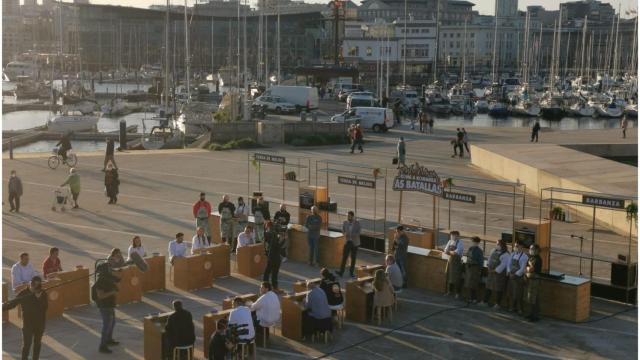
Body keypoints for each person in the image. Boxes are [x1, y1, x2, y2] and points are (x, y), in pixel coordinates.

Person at [3, 276, 48, 360]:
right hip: (28, 324)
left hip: (40, 324)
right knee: (27, 345)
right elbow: (12, 304)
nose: (37, 289)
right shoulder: (23, 293)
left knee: (37, 344)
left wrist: (38, 298)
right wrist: (3, 307)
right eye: (35, 286)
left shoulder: (43, 293)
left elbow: (45, 307)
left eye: (39, 286)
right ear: (31, 284)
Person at [93, 263, 119, 354]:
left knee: (112, 323)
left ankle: (109, 339)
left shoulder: (107, 279)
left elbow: (118, 280)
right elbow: (100, 296)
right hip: (104, 306)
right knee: (107, 325)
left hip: (110, 305)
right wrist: (112, 292)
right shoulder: (100, 282)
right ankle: (102, 346)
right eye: (108, 269)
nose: (110, 270)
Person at [484, 239, 510, 308]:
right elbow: (489, 259)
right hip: (491, 272)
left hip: (499, 274)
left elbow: (503, 265)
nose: (497, 245)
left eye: (498, 244)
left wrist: (494, 270)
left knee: (498, 288)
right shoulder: (493, 250)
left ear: (502, 245)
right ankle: (485, 301)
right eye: (496, 244)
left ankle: (497, 304)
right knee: (488, 286)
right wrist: (488, 266)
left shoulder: (506, 254)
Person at [337, 211, 361, 278]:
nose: (348, 217)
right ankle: (341, 272)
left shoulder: (357, 223)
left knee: (353, 258)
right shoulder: (345, 222)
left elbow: (358, 233)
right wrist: (344, 234)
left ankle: (351, 272)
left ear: (352, 216)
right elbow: (343, 231)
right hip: (347, 242)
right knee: (344, 257)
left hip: (354, 243)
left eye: (349, 216)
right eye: (347, 216)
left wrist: (351, 235)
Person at [509, 241, 529, 315]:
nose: (515, 247)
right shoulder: (512, 254)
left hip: (518, 278)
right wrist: (509, 272)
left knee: (518, 294)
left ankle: (519, 309)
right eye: (515, 246)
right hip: (511, 276)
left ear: (521, 247)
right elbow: (509, 264)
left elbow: (523, 268)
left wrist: (515, 274)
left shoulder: (524, 256)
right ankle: (512, 307)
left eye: (517, 246)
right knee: (511, 293)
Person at [263, 222, 283, 289]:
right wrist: (282, 240)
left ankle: (265, 286)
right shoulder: (275, 234)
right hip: (277, 257)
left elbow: (270, 246)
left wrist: (268, 255)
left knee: (267, 272)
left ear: (267, 226)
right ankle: (275, 286)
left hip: (272, 256)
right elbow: (279, 246)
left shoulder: (268, 234)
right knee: (275, 273)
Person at [444, 231, 464, 299]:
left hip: (457, 263)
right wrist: (449, 252)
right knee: (450, 276)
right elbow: (445, 250)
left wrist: (449, 252)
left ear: (457, 236)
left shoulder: (460, 243)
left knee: (456, 278)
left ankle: (457, 293)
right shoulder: (450, 241)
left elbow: (456, 252)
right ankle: (450, 291)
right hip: (450, 261)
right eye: (451, 235)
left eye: (453, 235)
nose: (452, 237)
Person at [525, 244, 543, 322]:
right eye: (530, 248)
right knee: (529, 298)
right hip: (530, 280)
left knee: (534, 299)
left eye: (532, 249)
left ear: (536, 250)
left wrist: (528, 268)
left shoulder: (538, 259)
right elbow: (526, 267)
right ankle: (530, 313)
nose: (530, 250)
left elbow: (531, 269)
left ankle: (535, 316)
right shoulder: (531, 257)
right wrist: (528, 268)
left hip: (535, 280)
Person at [464, 236, 484, 304]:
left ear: (477, 242)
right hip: (469, 268)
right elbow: (467, 257)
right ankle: (469, 297)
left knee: (474, 284)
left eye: (473, 241)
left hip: (475, 268)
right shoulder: (470, 248)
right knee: (468, 284)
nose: (471, 242)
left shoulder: (479, 251)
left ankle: (474, 298)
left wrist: (480, 270)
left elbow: (481, 261)